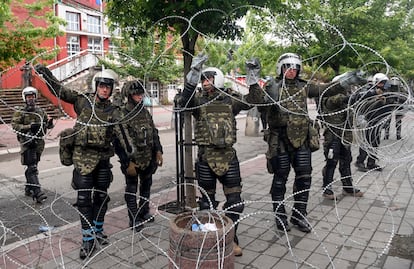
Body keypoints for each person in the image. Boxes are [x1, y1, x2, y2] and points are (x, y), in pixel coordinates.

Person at [35, 65, 135, 259]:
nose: (105, 89)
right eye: (102, 85)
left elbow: (123, 137)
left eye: (108, 86)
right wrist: (46, 74)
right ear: (96, 85)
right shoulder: (83, 102)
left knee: (101, 198)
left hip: (103, 160)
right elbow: (60, 91)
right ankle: (87, 239)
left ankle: (97, 231)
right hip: (82, 159)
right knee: (83, 200)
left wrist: (130, 158)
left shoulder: (114, 111)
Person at [263, 52, 366, 233]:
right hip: (279, 141)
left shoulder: (304, 87)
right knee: (280, 179)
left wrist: (346, 82)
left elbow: (325, 89)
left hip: (302, 140)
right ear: (281, 68)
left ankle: (298, 215)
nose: (292, 71)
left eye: (295, 67)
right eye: (288, 67)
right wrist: (261, 89)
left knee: (304, 179)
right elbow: (261, 104)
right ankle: (280, 216)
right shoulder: (273, 86)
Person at [179, 55, 263, 257]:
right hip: (206, 158)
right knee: (207, 203)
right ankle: (210, 237)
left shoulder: (230, 99)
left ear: (217, 79)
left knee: (235, 201)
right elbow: (184, 103)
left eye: (208, 79)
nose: (205, 83)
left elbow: (254, 100)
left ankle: (231, 237)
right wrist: (192, 75)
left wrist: (252, 77)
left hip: (228, 157)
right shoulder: (198, 101)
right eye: (203, 79)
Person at [114, 80, 163, 232]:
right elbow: (118, 142)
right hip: (133, 160)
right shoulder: (122, 113)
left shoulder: (144, 112)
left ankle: (143, 211)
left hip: (148, 157)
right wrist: (126, 162)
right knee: (131, 188)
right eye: (136, 94)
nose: (139, 96)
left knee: (146, 186)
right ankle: (134, 218)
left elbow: (153, 132)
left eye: (141, 93)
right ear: (129, 95)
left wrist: (158, 150)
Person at [319, 75, 364, 200]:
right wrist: (363, 95)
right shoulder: (330, 98)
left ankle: (348, 187)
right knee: (331, 162)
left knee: (346, 160)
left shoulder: (345, 98)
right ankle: (327, 188)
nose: (345, 88)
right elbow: (343, 99)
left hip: (345, 135)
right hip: (333, 135)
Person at [11, 86, 54, 203]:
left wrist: (50, 123)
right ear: (24, 98)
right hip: (27, 143)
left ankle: (28, 186)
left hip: (39, 144)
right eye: (28, 97)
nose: (31, 99)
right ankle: (38, 193)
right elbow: (15, 126)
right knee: (32, 167)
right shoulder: (20, 112)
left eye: (32, 96)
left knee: (33, 166)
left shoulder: (40, 111)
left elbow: (47, 125)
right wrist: (29, 127)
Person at [354, 72, 388, 172]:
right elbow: (360, 101)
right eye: (381, 82)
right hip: (368, 120)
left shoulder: (384, 91)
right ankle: (360, 161)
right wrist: (375, 96)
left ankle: (371, 163)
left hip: (378, 120)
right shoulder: (368, 90)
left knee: (375, 142)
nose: (383, 84)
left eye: (384, 83)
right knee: (366, 142)